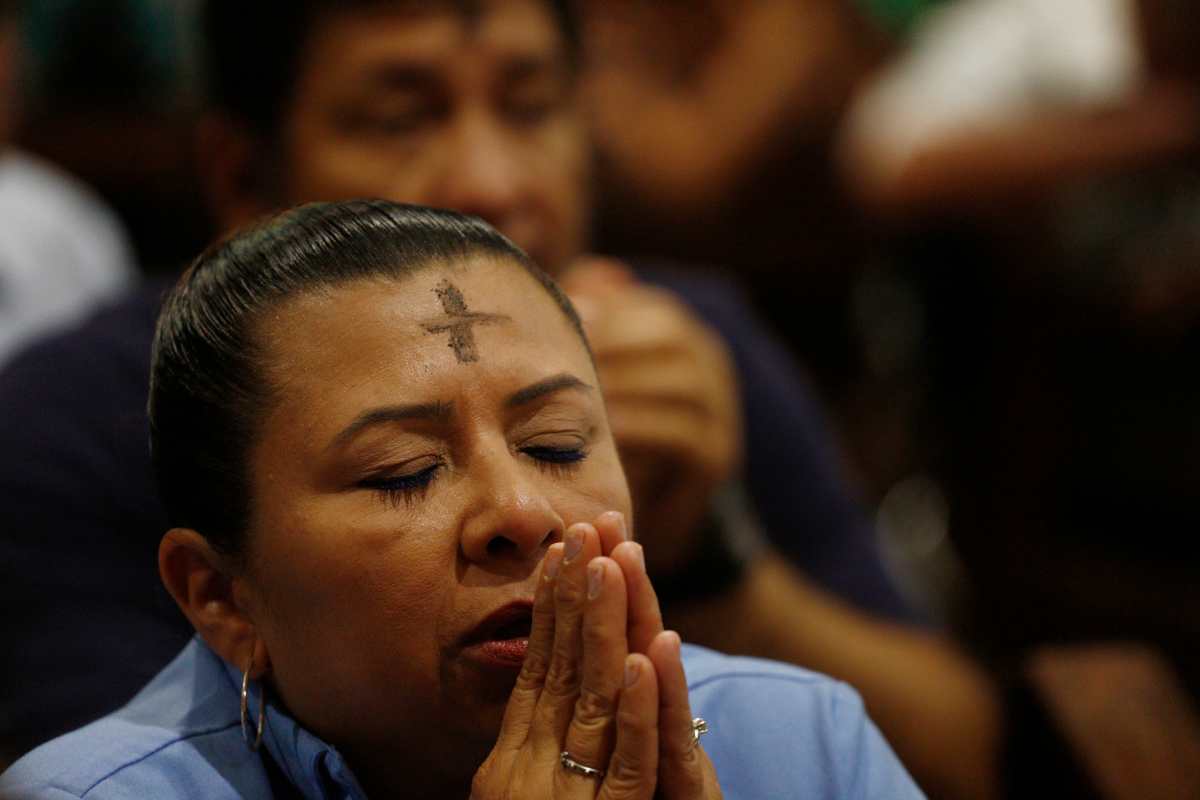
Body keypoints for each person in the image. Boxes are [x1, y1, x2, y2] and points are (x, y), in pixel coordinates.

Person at [0, 2, 996, 795]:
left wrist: (717, 554)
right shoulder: (71, 423)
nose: (488, 181)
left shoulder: (801, 723)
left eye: (559, 443)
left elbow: (976, 755)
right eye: (402, 471)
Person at [0, 201, 925, 799]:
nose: (523, 512)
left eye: (558, 445)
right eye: (402, 471)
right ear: (220, 595)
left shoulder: (801, 743)